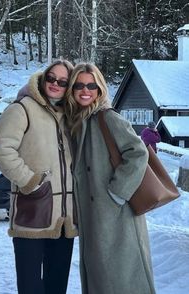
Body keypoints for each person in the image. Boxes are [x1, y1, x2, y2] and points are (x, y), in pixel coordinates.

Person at [64, 62, 156, 294]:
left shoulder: (107, 117)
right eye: (79, 85)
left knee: (121, 280)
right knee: (102, 277)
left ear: (100, 89)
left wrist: (117, 192)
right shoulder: (79, 120)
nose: (85, 90)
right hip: (96, 217)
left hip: (117, 215)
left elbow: (138, 153)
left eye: (91, 85)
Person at [0, 60, 78, 294]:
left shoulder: (71, 115)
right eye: (51, 78)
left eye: (63, 81)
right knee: (31, 286)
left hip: (64, 220)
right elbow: (1, 149)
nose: (55, 84)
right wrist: (31, 182)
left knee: (57, 285)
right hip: (33, 210)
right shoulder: (22, 108)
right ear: (43, 78)